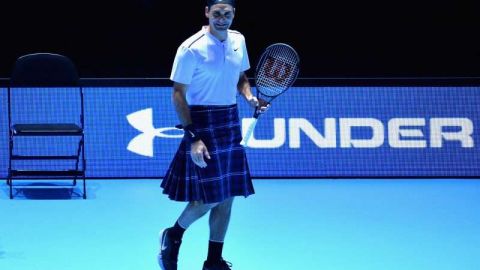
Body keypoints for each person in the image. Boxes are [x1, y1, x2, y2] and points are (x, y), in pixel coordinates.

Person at [157, 1, 269, 270]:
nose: (222, 18)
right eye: (216, 13)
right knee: (210, 197)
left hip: (228, 119)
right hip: (202, 123)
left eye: (227, 14)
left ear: (233, 15)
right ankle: (174, 234)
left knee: (227, 196)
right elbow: (178, 94)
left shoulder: (238, 40)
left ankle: (214, 261)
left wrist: (250, 97)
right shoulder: (190, 48)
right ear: (207, 13)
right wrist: (192, 136)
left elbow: (240, 77)